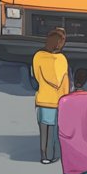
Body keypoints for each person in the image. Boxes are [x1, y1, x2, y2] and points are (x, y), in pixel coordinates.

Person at [33, 28, 70, 165]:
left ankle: (43, 155)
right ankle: (51, 154)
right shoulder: (62, 60)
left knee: (43, 129)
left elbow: (36, 77)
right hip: (57, 101)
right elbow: (64, 81)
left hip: (42, 98)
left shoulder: (38, 57)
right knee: (53, 131)